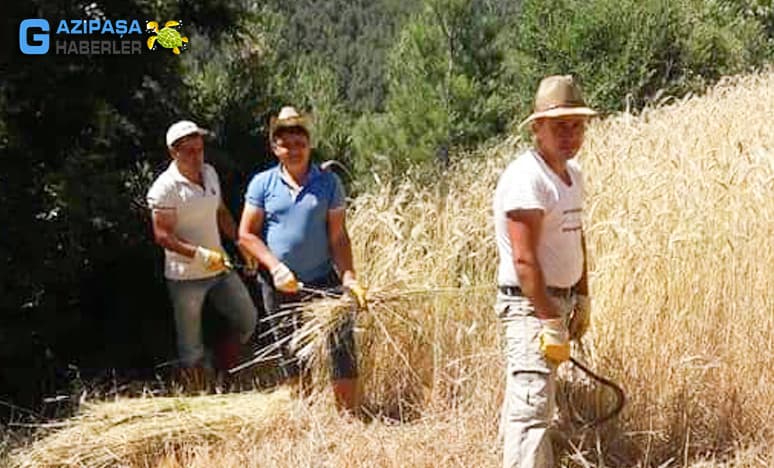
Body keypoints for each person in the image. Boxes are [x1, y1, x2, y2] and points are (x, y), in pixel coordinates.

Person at [492, 75, 596, 468]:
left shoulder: (574, 174)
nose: (569, 135)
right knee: (532, 409)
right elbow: (524, 259)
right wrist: (549, 318)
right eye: (559, 126)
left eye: (576, 126)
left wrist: (582, 295)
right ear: (537, 128)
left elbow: (576, 236)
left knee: (529, 400)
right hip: (529, 308)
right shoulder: (527, 178)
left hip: (557, 302)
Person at [238, 106, 367, 412]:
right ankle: (303, 411)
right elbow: (246, 234)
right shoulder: (262, 184)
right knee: (290, 346)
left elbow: (338, 236)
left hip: (322, 277)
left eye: (300, 143)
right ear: (274, 148)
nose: (294, 150)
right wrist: (275, 267)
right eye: (286, 144)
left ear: (309, 145)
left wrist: (348, 276)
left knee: (341, 341)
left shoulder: (328, 183)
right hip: (278, 282)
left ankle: (348, 415)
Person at [146, 120, 258, 388]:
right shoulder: (165, 188)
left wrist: (241, 242)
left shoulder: (209, 173)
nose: (197, 156)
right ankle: (201, 391)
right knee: (190, 347)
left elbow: (220, 212)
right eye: (190, 151)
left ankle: (226, 369)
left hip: (219, 267)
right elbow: (162, 235)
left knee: (247, 319)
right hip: (185, 277)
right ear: (174, 153)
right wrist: (199, 255)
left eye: (199, 149)